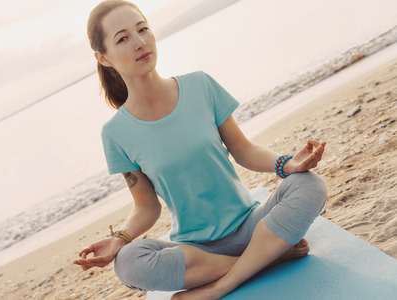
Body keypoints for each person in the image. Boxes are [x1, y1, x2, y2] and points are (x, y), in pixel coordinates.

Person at [73, 1, 327, 299]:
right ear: (103, 57)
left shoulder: (200, 86)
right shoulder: (115, 133)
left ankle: (224, 283)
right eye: (123, 38)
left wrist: (288, 165)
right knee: (128, 264)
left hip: (253, 228)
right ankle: (268, 257)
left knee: (309, 184)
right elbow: (147, 206)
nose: (140, 42)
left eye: (143, 29)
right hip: (196, 254)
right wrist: (120, 238)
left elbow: (243, 150)